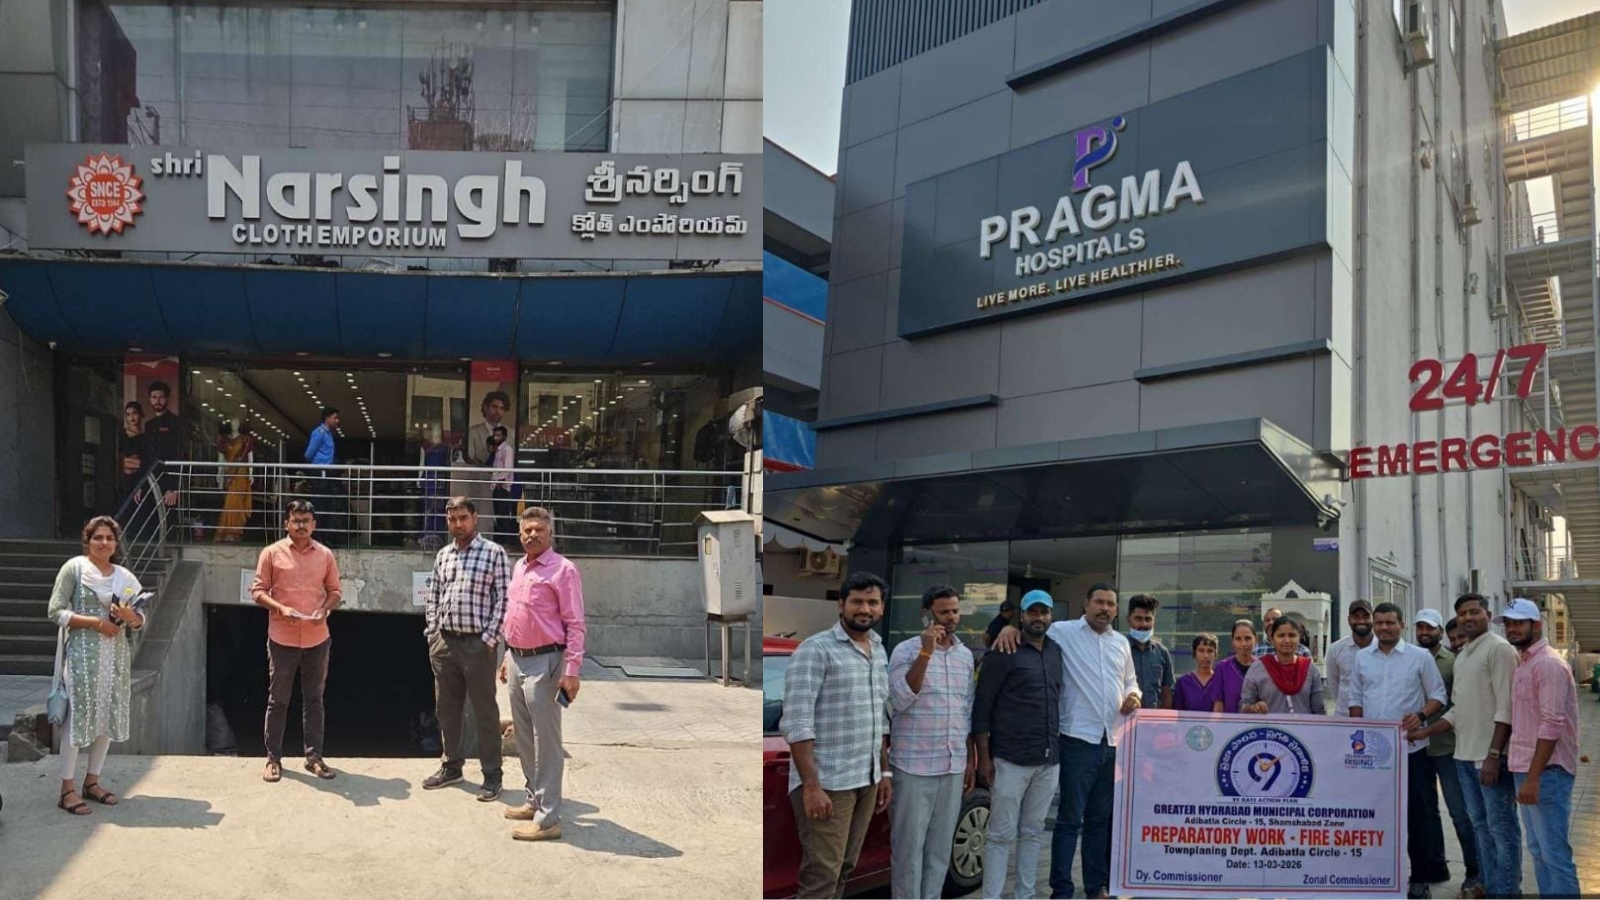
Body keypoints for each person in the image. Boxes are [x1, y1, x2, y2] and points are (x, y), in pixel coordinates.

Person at [993, 582, 1139, 900]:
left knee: (1099, 820)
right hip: (1076, 740)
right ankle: (1061, 889)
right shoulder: (1062, 631)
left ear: (1116, 610)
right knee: (1069, 820)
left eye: (1110, 604)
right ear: (1085, 604)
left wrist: (1133, 695)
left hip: (1112, 741)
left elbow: (1131, 681)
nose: (1104, 608)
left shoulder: (1121, 643)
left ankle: (1095, 886)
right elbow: (1032, 630)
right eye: (1098, 601)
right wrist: (1007, 628)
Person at [782, 572, 892, 899]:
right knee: (822, 875)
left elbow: (880, 718)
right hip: (829, 783)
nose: (865, 608)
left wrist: (884, 772)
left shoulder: (878, 648)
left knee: (845, 866)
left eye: (872, 602)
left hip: (866, 779)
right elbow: (797, 723)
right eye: (857, 601)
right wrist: (812, 787)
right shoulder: (815, 650)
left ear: (882, 608)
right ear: (841, 604)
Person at [1406, 593, 1521, 900]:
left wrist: (1495, 755)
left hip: (1489, 757)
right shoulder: (1467, 653)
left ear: (1487, 614)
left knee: (1501, 829)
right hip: (1463, 755)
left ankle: (1506, 891)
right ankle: (1485, 882)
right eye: (1462, 614)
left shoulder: (1499, 650)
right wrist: (1426, 730)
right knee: (1480, 826)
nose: (1468, 618)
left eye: (1474, 612)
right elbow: (1457, 710)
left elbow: (1506, 708)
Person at [1347, 602, 1448, 899]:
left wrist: (1421, 715)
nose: (1383, 628)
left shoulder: (1419, 658)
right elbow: (1356, 698)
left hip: (1411, 751)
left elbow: (1439, 695)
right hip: (1373, 756)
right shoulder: (1363, 658)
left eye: (1390, 622)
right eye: (1379, 623)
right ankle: (1377, 876)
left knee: (1417, 816)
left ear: (1401, 625)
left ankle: (1419, 879)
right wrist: (1356, 737)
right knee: (1375, 816)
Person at [47, 516, 147, 815]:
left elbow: (141, 620)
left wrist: (130, 618)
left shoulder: (125, 577)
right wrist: (94, 622)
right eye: (98, 537)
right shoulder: (75, 569)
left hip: (115, 657)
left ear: (116, 543)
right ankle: (67, 789)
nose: (104, 543)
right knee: (78, 718)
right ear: (87, 541)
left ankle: (92, 782)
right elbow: (55, 610)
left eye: (109, 538)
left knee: (105, 716)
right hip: (81, 655)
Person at [496, 506, 585, 842]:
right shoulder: (519, 566)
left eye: (538, 530)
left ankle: (549, 821)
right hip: (518, 660)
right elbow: (515, 614)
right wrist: (508, 654)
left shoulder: (564, 571)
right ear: (520, 533)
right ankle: (534, 799)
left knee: (546, 741)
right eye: (526, 529)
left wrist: (572, 670)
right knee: (522, 735)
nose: (531, 534)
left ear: (550, 534)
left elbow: (575, 624)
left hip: (547, 663)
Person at [886, 584, 976, 899]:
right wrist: (926, 653)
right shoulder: (906, 650)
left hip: (952, 765)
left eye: (955, 611)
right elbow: (898, 700)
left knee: (940, 847)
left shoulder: (965, 656)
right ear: (927, 614)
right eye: (943, 612)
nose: (951, 618)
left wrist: (969, 761)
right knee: (909, 848)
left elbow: (966, 711)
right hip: (913, 765)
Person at [972, 590, 1062, 900]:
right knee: (999, 836)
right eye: (1033, 612)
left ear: (1051, 616)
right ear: (1021, 616)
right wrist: (984, 759)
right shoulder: (1003, 651)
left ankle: (1025, 895)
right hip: (1010, 760)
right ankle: (992, 896)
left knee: (1033, 833)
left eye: (1045, 612)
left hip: (1048, 760)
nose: (1039, 617)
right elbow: (982, 708)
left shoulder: (1055, 651)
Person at [422, 497, 510, 801]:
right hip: (445, 643)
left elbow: (505, 599)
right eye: (452, 519)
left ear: (476, 518)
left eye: (463, 518)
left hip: (478, 644)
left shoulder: (493, 553)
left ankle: (492, 775)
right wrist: (433, 632)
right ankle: (452, 766)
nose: (457, 524)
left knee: (484, 711)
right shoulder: (444, 555)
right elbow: (433, 594)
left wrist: (489, 639)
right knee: (446, 709)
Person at [249, 499, 342, 782]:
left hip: (317, 637)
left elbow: (335, 591)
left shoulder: (325, 555)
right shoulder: (271, 553)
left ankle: (314, 758)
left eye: (306, 520)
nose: (301, 525)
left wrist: (325, 609)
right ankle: (273, 759)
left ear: (314, 524)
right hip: (282, 637)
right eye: (296, 520)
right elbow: (257, 590)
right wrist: (279, 608)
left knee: (314, 699)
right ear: (286, 523)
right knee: (278, 700)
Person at [1497, 599, 1581, 899]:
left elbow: (1552, 724)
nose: (1511, 628)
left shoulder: (1547, 664)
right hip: (1525, 769)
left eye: (1518, 622)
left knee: (1555, 855)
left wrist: (1533, 778)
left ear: (1536, 625)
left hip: (1547, 772)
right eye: (1508, 623)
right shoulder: (1525, 663)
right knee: (1538, 850)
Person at [1411, 608, 1482, 898]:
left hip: (1447, 747)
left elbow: (1457, 704)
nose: (1425, 633)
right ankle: (1435, 867)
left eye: (1430, 628)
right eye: (1420, 628)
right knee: (1425, 812)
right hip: (1416, 748)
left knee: (1459, 812)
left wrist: (1431, 728)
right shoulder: (1409, 659)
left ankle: (1474, 870)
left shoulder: (1454, 662)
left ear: (1440, 631)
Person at [1240, 616, 1326, 715]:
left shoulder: (1310, 669)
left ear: (1299, 638)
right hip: (1270, 729)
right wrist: (1254, 707)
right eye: (1281, 635)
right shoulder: (1258, 668)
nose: (1287, 640)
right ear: (1272, 639)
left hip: (1303, 729)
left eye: (1292, 635)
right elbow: (1243, 706)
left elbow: (1319, 710)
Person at [1323, 598, 1374, 715]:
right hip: (1344, 718)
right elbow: (1334, 685)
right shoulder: (1335, 649)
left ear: (1373, 619)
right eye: (1356, 616)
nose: (1361, 621)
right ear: (1348, 620)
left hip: (1375, 718)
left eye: (1366, 616)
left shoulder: (1381, 649)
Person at [143, 381, 185, 515]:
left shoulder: (176, 422)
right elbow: (146, 455)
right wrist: (141, 486)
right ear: (149, 399)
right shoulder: (149, 425)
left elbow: (179, 455)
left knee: (169, 522)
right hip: (151, 481)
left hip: (169, 481)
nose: (157, 401)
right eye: (154, 397)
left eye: (161, 397)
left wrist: (174, 488)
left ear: (166, 398)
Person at [1125, 594, 1173, 709]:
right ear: (1128, 620)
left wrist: (1164, 722)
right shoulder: (1118, 649)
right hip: (1123, 719)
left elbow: (1167, 694)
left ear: (1154, 621)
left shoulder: (1162, 652)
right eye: (1138, 618)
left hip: (1152, 722)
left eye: (1148, 619)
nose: (1143, 624)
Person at [305, 407, 344, 545]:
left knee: (327, 505)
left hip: (327, 473)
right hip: (319, 472)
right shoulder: (319, 433)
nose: (337, 421)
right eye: (335, 417)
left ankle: (325, 537)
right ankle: (317, 538)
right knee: (320, 505)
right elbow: (308, 454)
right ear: (327, 418)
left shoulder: (328, 434)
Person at [215, 422, 256, 542]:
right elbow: (221, 458)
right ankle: (227, 531)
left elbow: (250, 458)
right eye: (232, 421)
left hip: (241, 474)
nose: (235, 424)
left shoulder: (246, 440)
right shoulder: (224, 440)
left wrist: (251, 472)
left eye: (237, 421)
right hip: (229, 473)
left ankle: (235, 532)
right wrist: (219, 472)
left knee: (239, 502)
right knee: (230, 501)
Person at [1172, 634, 1224, 712]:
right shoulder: (1183, 682)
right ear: (1194, 653)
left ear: (1215, 654)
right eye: (1201, 650)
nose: (1206, 656)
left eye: (1210, 651)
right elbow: (1177, 713)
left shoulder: (1221, 681)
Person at [1215, 620, 1256, 713]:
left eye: (1248, 638)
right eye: (1238, 639)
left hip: (1258, 726)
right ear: (1232, 641)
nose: (1243, 643)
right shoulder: (1222, 668)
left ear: (1256, 639)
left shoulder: (1263, 667)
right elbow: (1218, 706)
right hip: (1230, 726)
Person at [467, 390, 511, 466]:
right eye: (494, 407)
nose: (498, 411)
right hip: (480, 476)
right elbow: (469, 458)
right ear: (485, 407)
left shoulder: (512, 433)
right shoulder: (473, 432)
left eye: (501, 408)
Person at [489, 425, 515, 546]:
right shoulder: (498, 450)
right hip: (496, 486)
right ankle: (499, 542)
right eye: (495, 435)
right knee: (498, 516)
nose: (495, 437)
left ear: (504, 436)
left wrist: (500, 481)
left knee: (503, 516)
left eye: (498, 435)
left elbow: (508, 468)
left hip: (502, 487)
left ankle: (504, 543)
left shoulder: (507, 450)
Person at [117, 401, 147, 504]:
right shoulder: (121, 435)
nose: (132, 417)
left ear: (141, 415)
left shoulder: (145, 437)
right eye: (128, 414)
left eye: (134, 413)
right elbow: (119, 461)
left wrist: (134, 463)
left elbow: (144, 463)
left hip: (139, 478)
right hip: (123, 480)